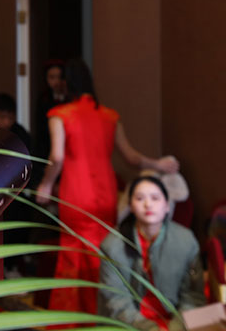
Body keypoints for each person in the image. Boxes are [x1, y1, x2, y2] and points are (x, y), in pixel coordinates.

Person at [33, 58, 179, 315]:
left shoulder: (60, 115)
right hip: (105, 193)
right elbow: (131, 157)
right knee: (105, 251)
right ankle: (108, 314)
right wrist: (159, 164)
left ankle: (75, 319)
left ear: (67, 83)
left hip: (76, 192)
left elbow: (57, 156)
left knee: (73, 252)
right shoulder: (110, 117)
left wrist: (45, 185)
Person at [99, 175, 204, 330]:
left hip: (175, 322)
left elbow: (193, 296)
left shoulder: (186, 241)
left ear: (167, 205)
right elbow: (116, 300)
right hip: (129, 324)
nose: (148, 204)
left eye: (155, 198)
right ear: (131, 206)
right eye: (140, 198)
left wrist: (176, 327)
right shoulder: (112, 245)